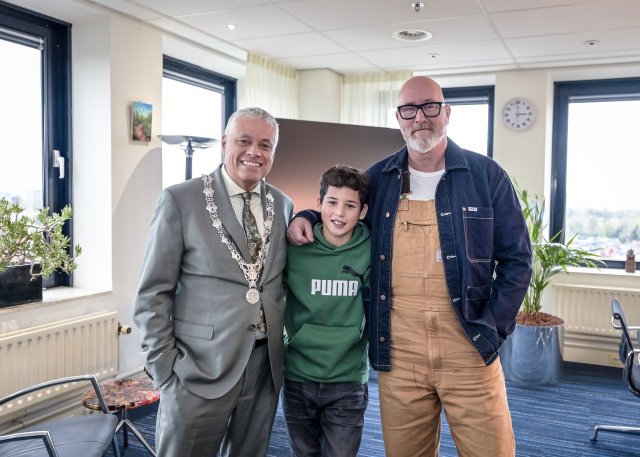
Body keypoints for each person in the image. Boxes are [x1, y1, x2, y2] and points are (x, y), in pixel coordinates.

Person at [287, 76, 532, 457]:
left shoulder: (486, 177)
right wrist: (303, 214)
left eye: (430, 106)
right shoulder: (379, 179)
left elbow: (518, 260)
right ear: (399, 118)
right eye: (409, 109)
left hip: (468, 349)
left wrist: (493, 330)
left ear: (446, 112)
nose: (420, 117)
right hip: (399, 357)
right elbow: (342, 211)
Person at [133, 107, 294, 457]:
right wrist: (165, 369)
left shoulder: (283, 206)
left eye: (265, 145)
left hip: (264, 367)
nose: (255, 152)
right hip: (197, 368)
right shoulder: (181, 200)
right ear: (224, 144)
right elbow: (152, 293)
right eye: (244, 141)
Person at [283, 165, 371, 457]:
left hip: (347, 378)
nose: (339, 213)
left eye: (350, 205)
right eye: (332, 202)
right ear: (318, 204)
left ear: (363, 211)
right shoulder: (294, 245)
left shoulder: (373, 250)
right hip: (298, 374)